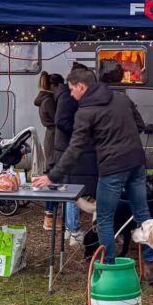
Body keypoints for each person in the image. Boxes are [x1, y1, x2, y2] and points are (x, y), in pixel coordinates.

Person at [34, 67, 151, 265]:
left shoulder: (85, 112)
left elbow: (75, 148)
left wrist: (52, 176)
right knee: (142, 213)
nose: (70, 94)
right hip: (136, 162)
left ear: (81, 86)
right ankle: (150, 263)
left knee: (104, 217)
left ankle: (109, 265)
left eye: (71, 89)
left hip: (112, 167)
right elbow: (139, 124)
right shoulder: (121, 98)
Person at [51, 66, 92, 246]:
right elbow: (61, 121)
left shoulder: (65, 95)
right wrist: (80, 132)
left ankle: (70, 229)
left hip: (66, 147)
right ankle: (73, 230)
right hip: (68, 148)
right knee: (73, 189)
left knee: (70, 189)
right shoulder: (68, 96)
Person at [35, 72, 61, 231]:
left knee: (53, 174)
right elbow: (58, 120)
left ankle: (50, 215)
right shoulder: (49, 101)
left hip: (51, 137)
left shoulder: (44, 99)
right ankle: (50, 216)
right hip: (54, 138)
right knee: (53, 176)